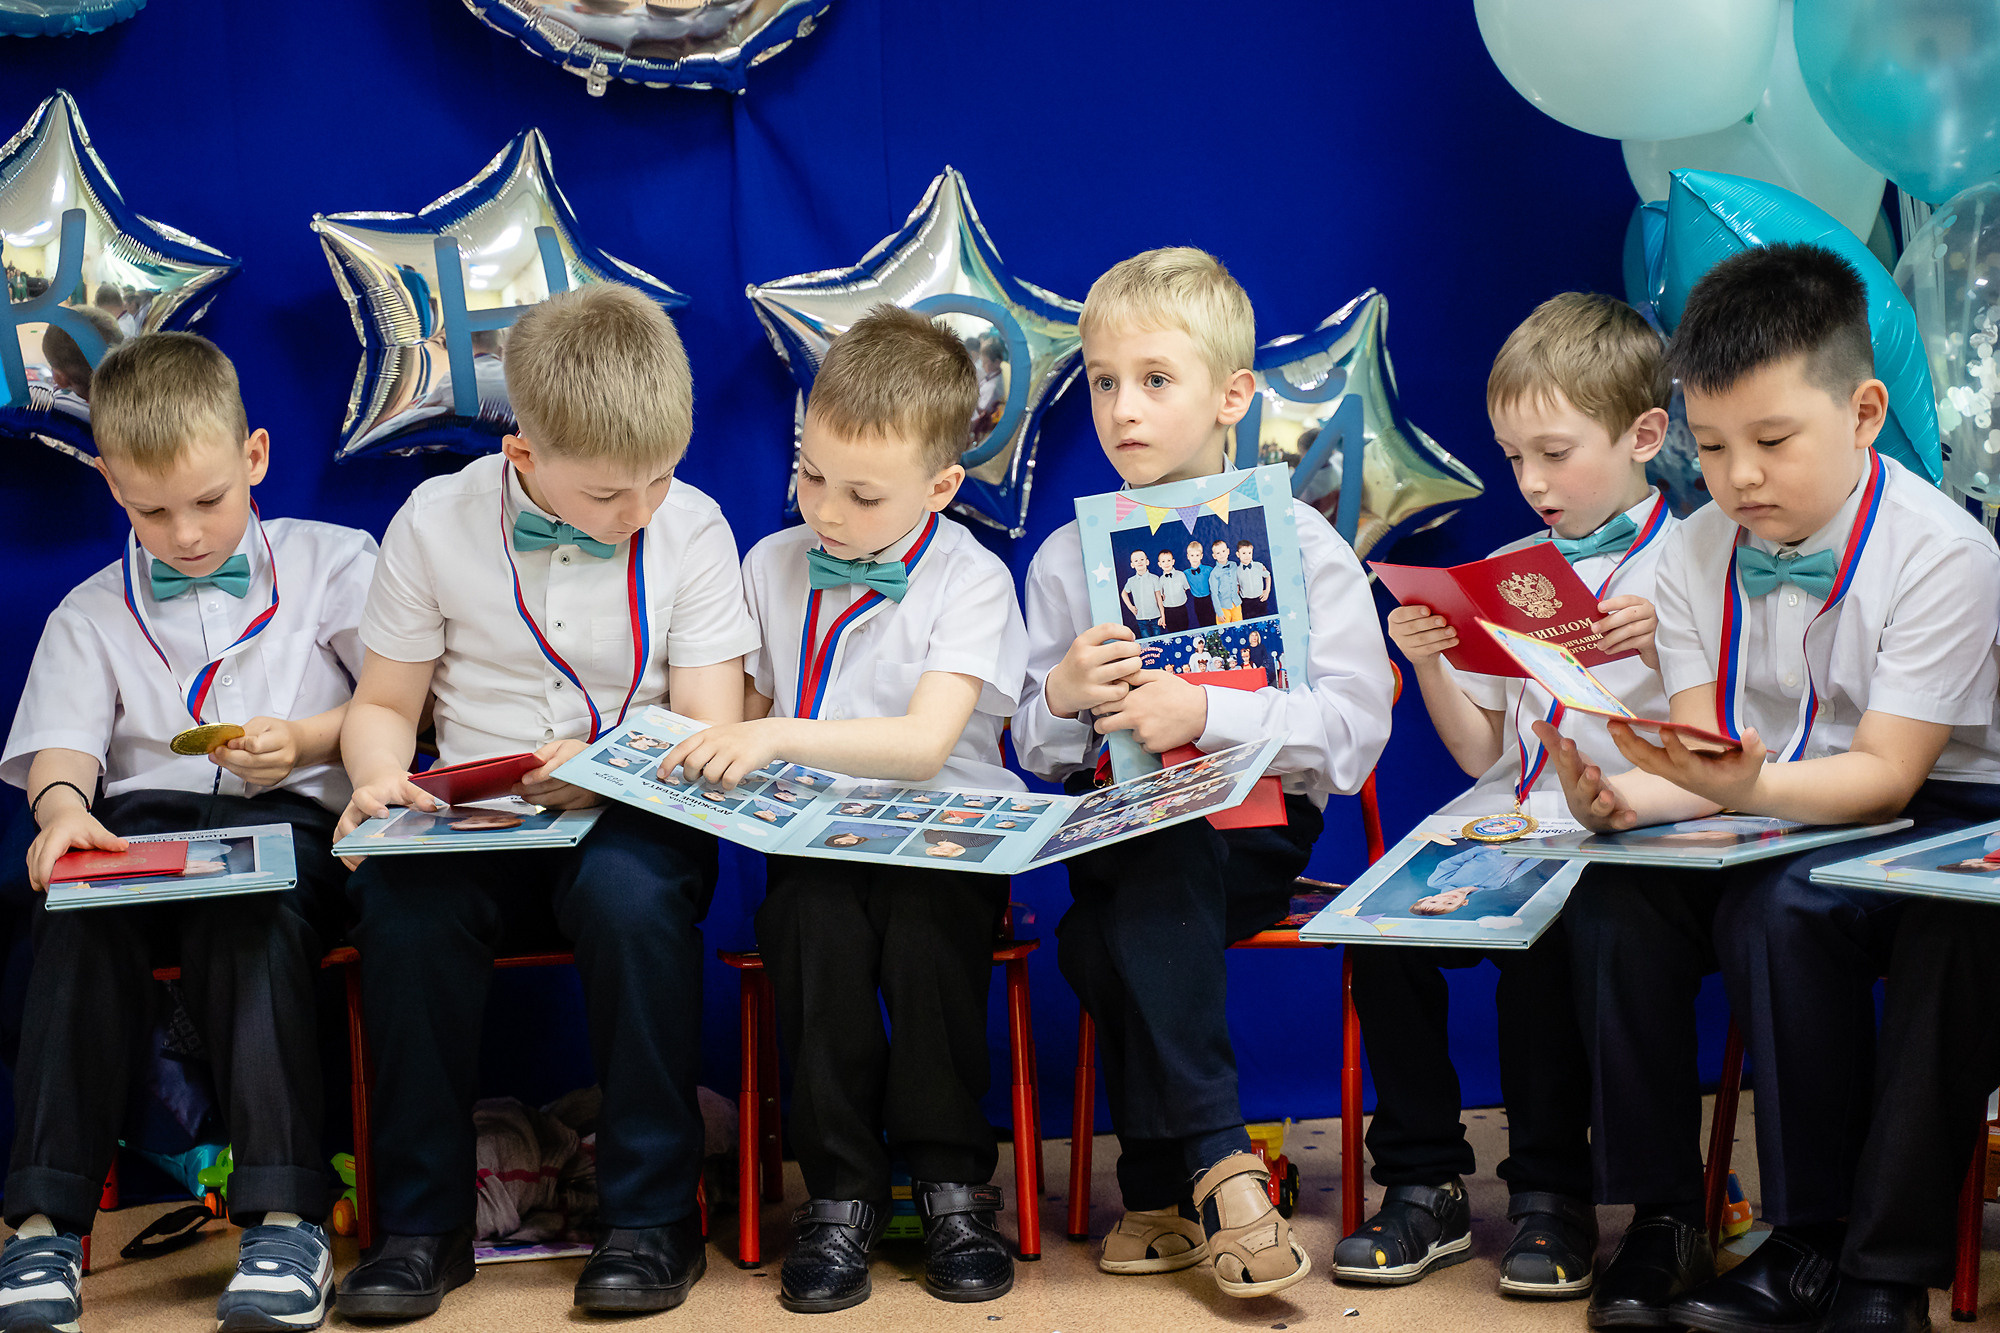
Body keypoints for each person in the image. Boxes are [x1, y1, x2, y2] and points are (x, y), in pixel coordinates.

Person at [1536, 244, 2000, 1333]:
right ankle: (1667, 1222)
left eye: (1771, 441)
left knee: (1794, 912)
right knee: (1614, 894)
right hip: (1783, 794)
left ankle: (1854, 1264)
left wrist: (1744, 781)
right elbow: (1709, 762)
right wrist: (1626, 800)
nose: (1737, 476)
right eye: (1708, 446)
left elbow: (1886, 773)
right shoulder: (1693, 552)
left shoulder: (1940, 549)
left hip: (1948, 800)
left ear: (1863, 412)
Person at [333, 284, 759, 1320]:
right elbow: (384, 703)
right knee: (403, 910)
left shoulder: (690, 526)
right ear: (523, 456)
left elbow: (704, 719)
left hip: (635, 809)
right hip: (473, 821)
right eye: (613, 494)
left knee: (629, 899)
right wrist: (375, 778)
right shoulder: (433, 523)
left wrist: (610, 766)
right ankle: (422, 1227)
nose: (642, 510)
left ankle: (653, 1219)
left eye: (661, 476)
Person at [1017, 247, 1394, 1301]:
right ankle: (1223, 1164)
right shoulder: (1062, 559)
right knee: (1132, 849)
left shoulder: (1309, 547)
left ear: (1232, 395)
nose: (1120, 408)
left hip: (1256, 837)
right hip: (1115, 827)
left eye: (1153, 380)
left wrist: (1209, 713)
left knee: (1102, 935)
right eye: (1100, 382)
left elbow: (1355, 735)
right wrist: (1057, 698)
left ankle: (1160, 1184)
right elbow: (1036, 756)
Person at [0, 332, 378, 1333]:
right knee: (71, 914)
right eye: (151, 510)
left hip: (292, 829)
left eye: (209, 501)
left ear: (254, 456)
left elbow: (397, 704)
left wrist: (303, 738)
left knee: (247, 914)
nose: (188, 535)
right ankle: (40, 1227)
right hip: (145, 835)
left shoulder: (336, 562)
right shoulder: (89, 613)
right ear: (111, 486)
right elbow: (62, 752)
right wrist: (64, 814)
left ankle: (284, 1218)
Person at [658, 306, 1027, 1312]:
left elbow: (919, 745)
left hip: (943, 845)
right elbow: (738, 714)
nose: (825, 509)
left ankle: (952, 1186)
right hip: (814, 843)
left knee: (922, 934)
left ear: (940, 488)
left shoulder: (974, 581)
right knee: (807, 927)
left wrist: (770, 736)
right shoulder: (769, 565)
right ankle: (839, 1197)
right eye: (810, 474)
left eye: (863, 494)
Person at [1354, 291, 1675, 1298]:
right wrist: (1436, 663)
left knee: (1542, 931)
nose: (1529, 481)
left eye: (1552, 452)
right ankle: (1421, 1180)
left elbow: (1731, 728)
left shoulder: (1694, 564)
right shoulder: (1506, 567)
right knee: (1375, 923)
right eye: (1511, 458)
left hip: (1624, 832)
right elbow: (1479, 753)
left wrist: (1665, 643)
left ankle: (1550, 1192)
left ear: (1643, 435)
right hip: (1509, 812)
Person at [1120, 548, 1163, 637]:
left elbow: (1159, 598)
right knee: (1147, 644)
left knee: (1158, 640)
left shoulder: (1154, 578)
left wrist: (1163, 616)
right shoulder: (1131, 581)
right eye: (1136, 560)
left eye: (1142, 559)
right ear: (1132, 565)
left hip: (1155, 617)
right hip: (1141, 619)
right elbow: (1124, 593)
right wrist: (1130, 606)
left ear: (1147, 562)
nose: (1139, 562)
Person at [1156, 548, 1192, 633]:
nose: (1166, 563)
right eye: (1163, 561)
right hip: (1168, 610)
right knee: (1172, 631)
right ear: (1159, 564)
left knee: (1184, 629)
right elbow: (1160, 595)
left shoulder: (1181, 575)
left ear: (1173, 561)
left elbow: (1186, 588)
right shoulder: (1160, 580)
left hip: (1181, 608)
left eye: (1169, 560)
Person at [1233, 539, 1271, 619]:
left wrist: (1267, 590)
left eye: (1249, 553)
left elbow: (1267, 576)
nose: (1247, 556)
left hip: (1260, 599)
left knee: (1263, 622)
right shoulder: (1236, 571)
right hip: (1246, 602)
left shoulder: (1259, 566)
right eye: (1244, 553)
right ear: (1238, 554)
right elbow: (1237, 586)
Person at [1183, 538, 1215, 627]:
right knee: (1202, 623)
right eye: (1192, 555)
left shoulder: (1209, 570)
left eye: (1197, 555)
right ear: (1188, 556)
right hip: (1197, 601)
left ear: (1201, 556)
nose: (1194, 558)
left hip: (1210, 599)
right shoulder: (1185, 574)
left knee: (1213, 621)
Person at [1208, 537, 1242, 623]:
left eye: (1223, 551)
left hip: (1236, 604)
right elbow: (1214, 594)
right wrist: (1219, 613)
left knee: (1239, 627)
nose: (1222, 555)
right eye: (1218, 553)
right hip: (1223, 607)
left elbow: (1238, 578)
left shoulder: (1234, 565)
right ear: (1214, 556)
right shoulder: (1214, 573)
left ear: (1228, 551)